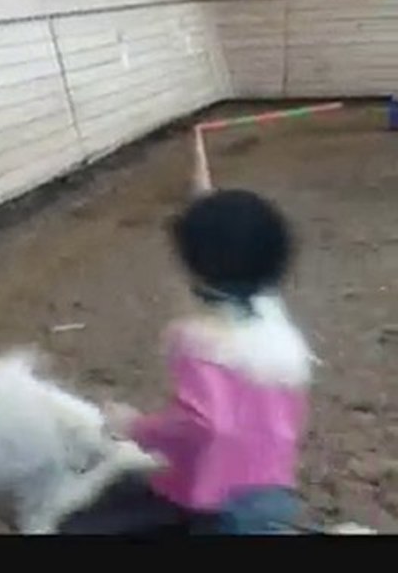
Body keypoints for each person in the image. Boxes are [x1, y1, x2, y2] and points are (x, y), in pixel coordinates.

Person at [61, 189, 314, 535]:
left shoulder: (201, 342)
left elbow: (206, 424)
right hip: (272, 497)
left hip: (211, 506)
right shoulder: (280, 335)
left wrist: (135, 425)